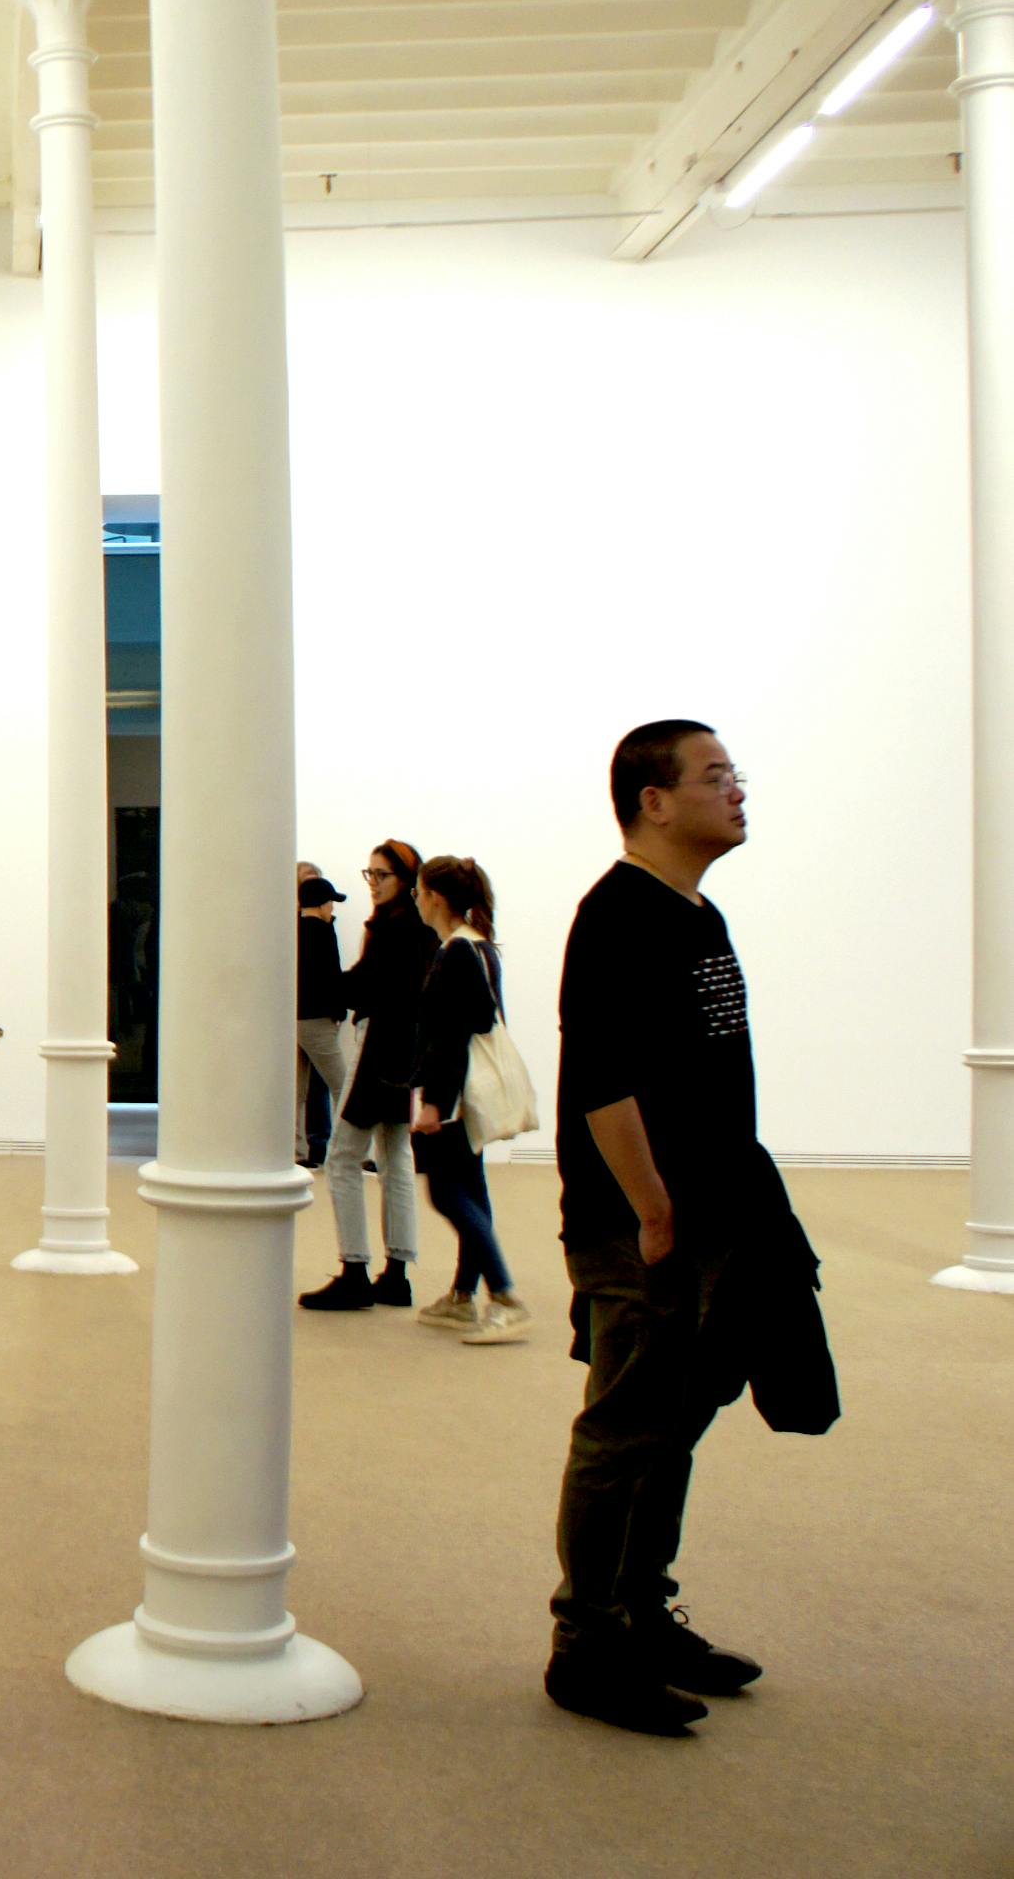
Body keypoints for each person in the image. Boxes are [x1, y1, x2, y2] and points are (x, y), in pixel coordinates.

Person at [544, 721, 799, 1734]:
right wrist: (650, 1206)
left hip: (707, 1219)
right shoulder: (615, 916)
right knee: (621, 1427)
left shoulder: (696, 914)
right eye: (713, 775)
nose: (734, 790)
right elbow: (599, 1084)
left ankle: (642, 1610)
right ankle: (585, 1644)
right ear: (651, 800)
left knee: (674, 1422)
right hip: (636, 1227)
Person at [298, 840, 429, 1311]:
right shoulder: (409, 926)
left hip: (381, 1046)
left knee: (342, 1158)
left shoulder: (398, 929)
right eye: (369, 874)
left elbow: (366, 985)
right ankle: (397, 1273)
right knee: (395, 1158)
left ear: (406, 880)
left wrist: (321, 971)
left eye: (381, 875)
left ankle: (355, 1270)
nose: (372, 884)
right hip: (401, 1048)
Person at [409, 855, 529, 1343]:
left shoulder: (457, 952)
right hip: (463, 1091)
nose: (416, 901)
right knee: (471, 1189)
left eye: (418, 892)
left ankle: (503, 1295)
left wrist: (434, 1102)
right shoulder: (478, 947)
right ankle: (463, 1295)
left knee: (447, 1191)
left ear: (435, 897)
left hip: (455, 1094)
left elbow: (456, 1031)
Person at [294, 866, 348, 1170]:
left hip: (295, 1018)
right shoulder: (323, 932)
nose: (332, 909)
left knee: (296, 1091)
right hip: (318, 1019)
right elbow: (331, 977)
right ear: (321, 903)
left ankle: (295, 1150)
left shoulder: (293, 931)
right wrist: (339, 1011)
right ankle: (350, 1148)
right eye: (330, 903)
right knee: (342, 1084)